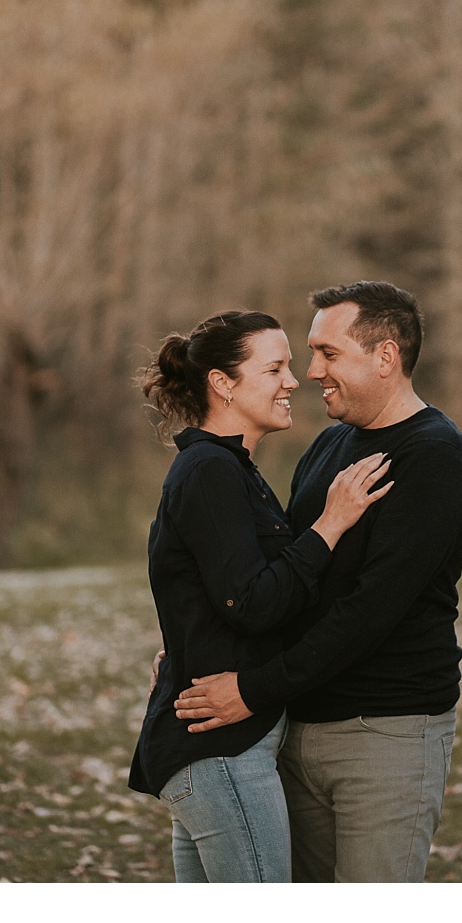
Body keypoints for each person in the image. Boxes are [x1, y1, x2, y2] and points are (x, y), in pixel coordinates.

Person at [174, 281, 462, 882]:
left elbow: (369, 612)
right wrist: (203, 643)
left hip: (386, 735)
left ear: (386, 357)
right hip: (296, 729)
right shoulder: (328, 446)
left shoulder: (435, 456)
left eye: (328, 353)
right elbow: (288, 579)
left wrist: (254, 688)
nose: (312, 371)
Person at [128, 310, 392, 883]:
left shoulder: (229, 470)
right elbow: (250, 602)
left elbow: (206, 589)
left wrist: (184, 640)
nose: (293, 380)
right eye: (274, 368)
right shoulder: (210, 470)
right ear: (223, 383)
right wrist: (330, 525)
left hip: (218, 751)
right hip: (222, 753)